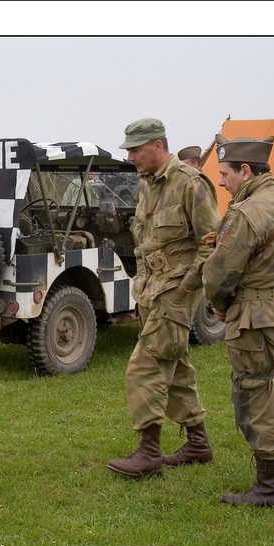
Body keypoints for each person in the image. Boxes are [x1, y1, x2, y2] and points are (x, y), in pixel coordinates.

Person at [106, 118, 220, 478]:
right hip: (151, 289)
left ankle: (149, 451)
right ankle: (198, 444)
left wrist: (186, 285)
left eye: (136, 149)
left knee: (146, 366)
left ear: (158, 145)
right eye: (128, 149)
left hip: (174, 290)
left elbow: (211, 244)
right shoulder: (146, 184)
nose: (130, 156)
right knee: (177, 366)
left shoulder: (190, 183)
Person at [202, 135, 274, 507]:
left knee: (255, 390)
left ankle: (270, 486)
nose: (221, 181)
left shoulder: (248, 211)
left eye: (225, 173)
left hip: (256, 318)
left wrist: (217, 304)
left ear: (245, 171)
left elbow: (219, 272)